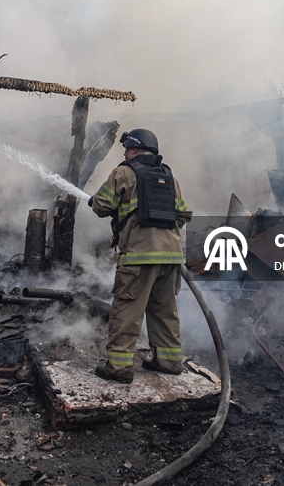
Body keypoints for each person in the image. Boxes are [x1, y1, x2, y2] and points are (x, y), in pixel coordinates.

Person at [88, 128, 193, 384]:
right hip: (170, 258)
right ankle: (168, 361)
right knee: (164, 310)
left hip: (138, 257)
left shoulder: (123, 172)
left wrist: (96, 202)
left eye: (127, 148)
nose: (124, 152)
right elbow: (184, 214)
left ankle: (119, 368)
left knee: (127, 311)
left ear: (135, 149)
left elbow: (102, 206)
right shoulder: (170, 177)